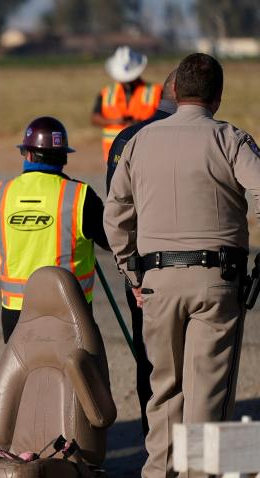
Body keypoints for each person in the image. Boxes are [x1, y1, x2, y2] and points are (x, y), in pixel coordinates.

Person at [105, 53, 260, 478]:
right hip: (217, 280)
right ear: (217, 96)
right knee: (208, 387)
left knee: (163, 388)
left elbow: (116, 218)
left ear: (173, 92)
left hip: (155, 281)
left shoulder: (139, 141)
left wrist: (134, 275)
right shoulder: (229, 138)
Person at [0, 117, 109, 342]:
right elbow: (111, 241)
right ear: (64, 157)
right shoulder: (80, 196)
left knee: (26, 374)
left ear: (28, 154)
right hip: (69, 309)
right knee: (77, 374)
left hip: (16, 312)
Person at [104, 68, 178, 439]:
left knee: (150, 361)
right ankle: (193, 459)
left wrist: (131, 274)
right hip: (200, 272)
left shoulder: (126, 138)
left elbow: (117, 214)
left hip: (144, 272)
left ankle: (155, 445)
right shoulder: (212, 134)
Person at [91, 46, 162, 162]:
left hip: (145, 155)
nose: (127, 82)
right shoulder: (107, 92)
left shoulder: (156, 91)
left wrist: (140, 124)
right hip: (114, 157)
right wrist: (114, 122)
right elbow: (95, 118)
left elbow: (166, 119)